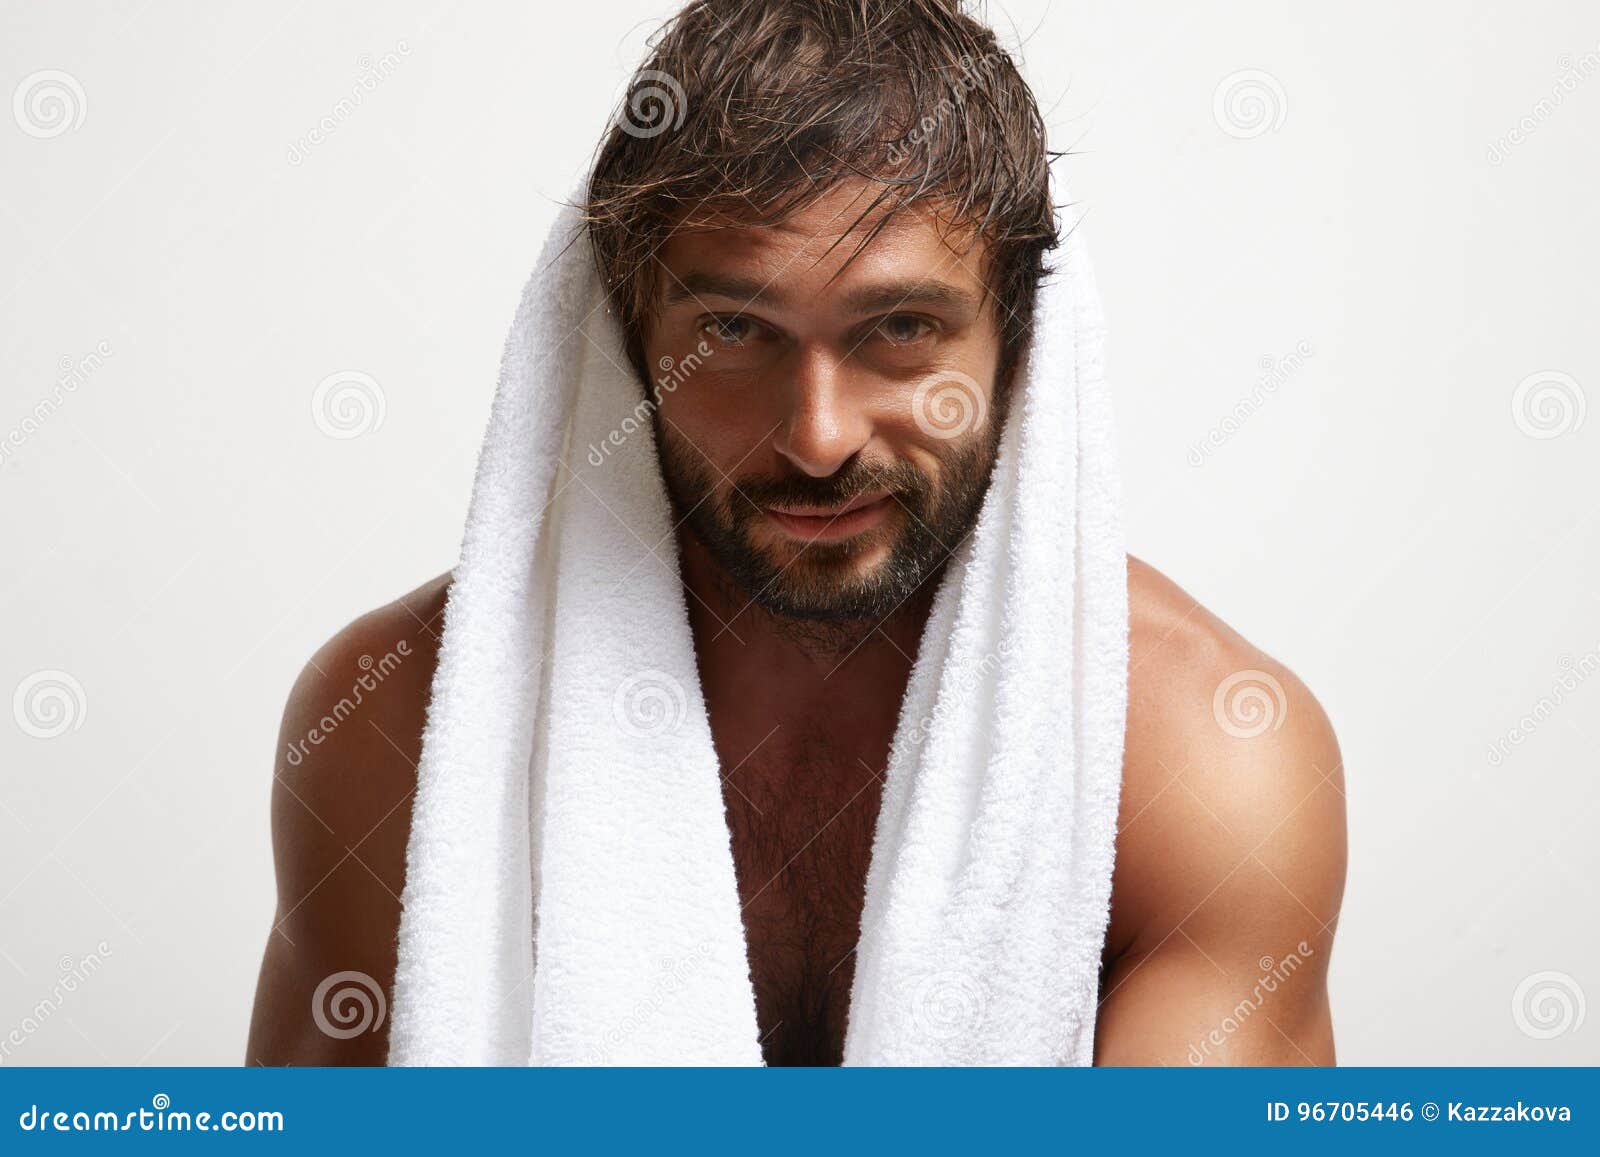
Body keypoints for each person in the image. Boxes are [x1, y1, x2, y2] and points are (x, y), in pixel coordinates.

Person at [247, 0, 1345, 1067]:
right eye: (734, 330)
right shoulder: (394, 728)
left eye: (900, 329)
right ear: (625, 339)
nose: (817, 438)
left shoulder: (1200, 760)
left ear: (1019, 340)